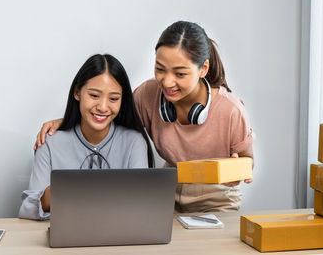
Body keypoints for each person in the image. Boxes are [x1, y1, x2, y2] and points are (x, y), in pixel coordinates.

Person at [34, 21, 254, 213]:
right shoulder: (147, 95)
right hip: (168, 194)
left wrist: (238, 170)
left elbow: (248, 161)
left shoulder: (230, 110)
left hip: (216, 198)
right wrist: (68, 120)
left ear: (203, 68)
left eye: (179, 73)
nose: (167, 82)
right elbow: (108, 112)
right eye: (160, 69)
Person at [19, 54, 154, 220]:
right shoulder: (50, 142)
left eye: (113, 98)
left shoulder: (134, 142)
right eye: (94, 95)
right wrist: (64, 190)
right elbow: (27, 209)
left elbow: (140, 207)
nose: (103, 107)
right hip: (67, 237)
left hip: (118, 239)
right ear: (77, 92)